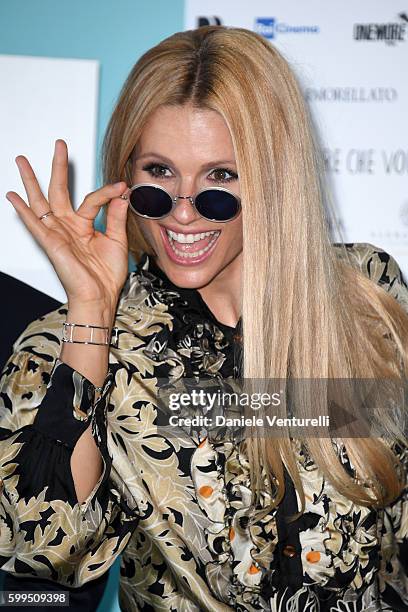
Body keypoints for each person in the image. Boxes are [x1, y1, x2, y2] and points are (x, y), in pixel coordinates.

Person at [1, 25, 407, 612]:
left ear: (274, 182)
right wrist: (91, 313)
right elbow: (50, 555)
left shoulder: (366, 296)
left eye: (220, 178)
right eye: (159, 175)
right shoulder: (69, 346)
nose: (184, 212)